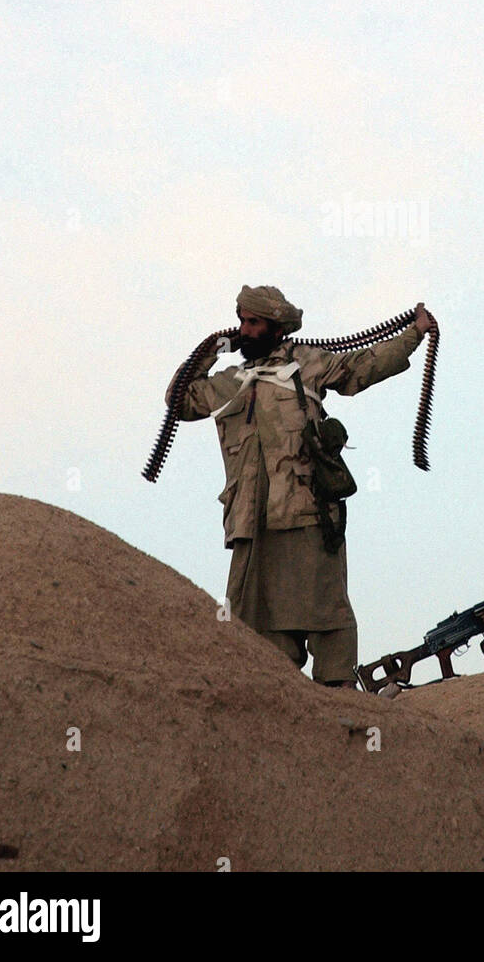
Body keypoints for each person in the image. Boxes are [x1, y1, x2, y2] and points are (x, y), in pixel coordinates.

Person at [164, 285, 436, 688]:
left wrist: (413, 335)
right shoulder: (229, 381)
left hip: (306, 511)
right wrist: (214, 346)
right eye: (241, 322)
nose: (246, 329)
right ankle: (276, 699)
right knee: (254, 620)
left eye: (253, 322)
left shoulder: (306, 363)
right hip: (251, 521)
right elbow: (179, 400)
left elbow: (363, 367)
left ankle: (338, 693)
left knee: (325, 609)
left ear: (276, 326)